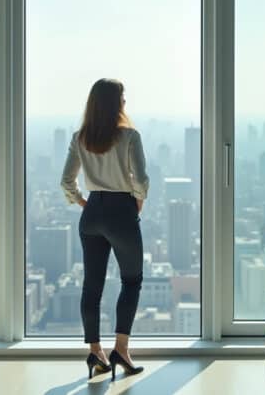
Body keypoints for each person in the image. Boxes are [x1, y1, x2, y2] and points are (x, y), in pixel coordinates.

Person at [61, 78, 149, 381]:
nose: (125, 102)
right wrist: (137, 202)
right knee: (132, 280)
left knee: (92, 286)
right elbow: (141, 178)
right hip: (121, 210)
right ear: (116, 103)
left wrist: (83, 202)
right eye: (123, 98)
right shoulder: (129, 136)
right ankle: (121, 350)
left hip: (92, 212)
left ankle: (95, 353)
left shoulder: (80, 137)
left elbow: (66, 181)